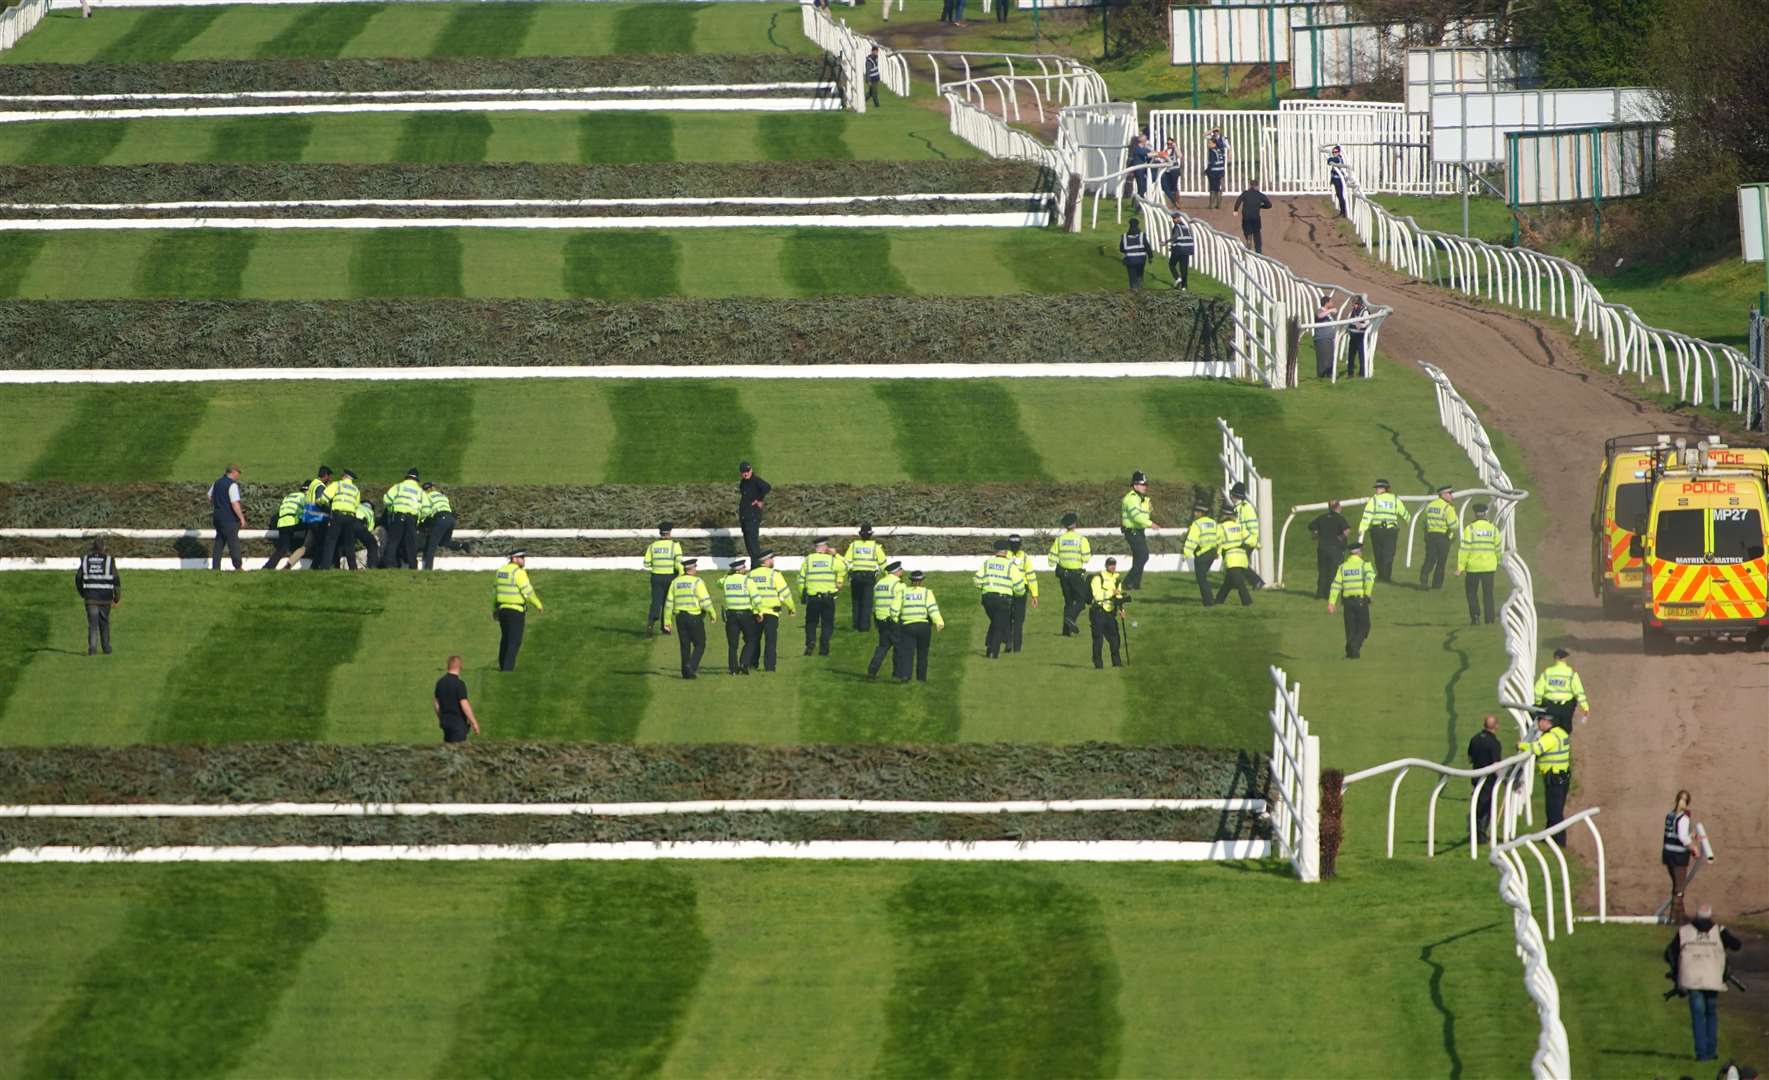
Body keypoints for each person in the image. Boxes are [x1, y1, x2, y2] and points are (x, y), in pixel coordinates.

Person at [1665, 904, 1743, 1063]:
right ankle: (1711, 1051)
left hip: (1691, 980)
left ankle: (1701, 1054)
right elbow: (1737, 945)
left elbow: (1669, 954)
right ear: (1709, 916)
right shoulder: (1718, 931)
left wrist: (1676, 972)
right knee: (1711, 1015)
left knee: (1698, 1018)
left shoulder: (1684, 932)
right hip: (1713, 979)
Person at [1518, 713, 1571, 845]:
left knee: (1554, 812)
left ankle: (1558, 842)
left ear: (1548, 722)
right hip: (1562, 775)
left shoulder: (1550, 737)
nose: (1538, 723)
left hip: (1554, 777)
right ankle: (1550, 837)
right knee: (1555, 810)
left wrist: (1521, 745)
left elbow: (1537, 748)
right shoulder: (1561, 732)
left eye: (1540, 720)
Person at [661, 557, 716, 680]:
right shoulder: (697, 582)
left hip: (680, 617)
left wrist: (667, 621)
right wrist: (712, 612)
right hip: (694, 617)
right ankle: (691, 666)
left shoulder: (675, 582)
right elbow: (704, 600)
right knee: (700, 644)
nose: (696, 569)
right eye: (695, 567)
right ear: (692, 568)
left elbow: (669, 603)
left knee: (684, 645)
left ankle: (685, 673)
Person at [744, 551, 795, 673]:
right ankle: (770, 667)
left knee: (754, 639)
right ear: (767, 560)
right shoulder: (775, 575)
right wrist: (791, 608)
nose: (773, 561)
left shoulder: (751, 575)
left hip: (755, 612)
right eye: (772, 559)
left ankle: (752, 664)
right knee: (770, 641)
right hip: (771, 613)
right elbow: (785, 593)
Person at [974, 539, 1026, 659]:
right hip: (1003, 600)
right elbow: (1019, 586)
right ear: (1007, 552)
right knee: (999, 625)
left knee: (995, 621)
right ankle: (993, 652)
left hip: (987, 599)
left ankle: (989, 646)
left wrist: (983, 587)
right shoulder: (1010, 566)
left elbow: (977, 580)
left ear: (995, 551)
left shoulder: (987, 563)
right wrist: (1019, 594)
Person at [492, 549, 542, 672]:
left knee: (505, 638)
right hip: (516, 610)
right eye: (522, 557)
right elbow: (528, 591)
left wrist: (494, 609)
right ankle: (508, 669)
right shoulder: (518, 572)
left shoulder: (500, 571)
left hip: (502, 609)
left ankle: (502, 665)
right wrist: (538, 604)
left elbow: (495, 592)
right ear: (514, 559)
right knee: (514, 640)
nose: (524, 560)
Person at [1326, 538, 1374, 659]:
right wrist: (1368, 594)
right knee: (1364, 627)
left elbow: (1336, 585)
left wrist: (1331, 602)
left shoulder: (1343, 567)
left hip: (1347, 602)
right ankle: (1354, 646)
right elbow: (1370, 579)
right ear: (1359, 552)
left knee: (1350, 629)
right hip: (1361, 600)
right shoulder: (1364, 565)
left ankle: (1352, 654)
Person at [893, 569, 943, 683]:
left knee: (907, 653)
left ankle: (905, 676)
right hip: (923, 626)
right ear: (922, 581)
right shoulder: (927, 592)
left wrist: (896, 619)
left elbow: (894, 609)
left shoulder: (903, 592)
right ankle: (921, 678)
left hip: (907, 626)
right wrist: (939, 622)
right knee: (923, 653)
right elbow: (932, 609)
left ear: (911, 581)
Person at [798, 537, 846, 656]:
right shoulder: (832, 560)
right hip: (828, 597)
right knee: (827, 623)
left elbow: (800, 579)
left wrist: (802, 595)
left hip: (813, 597)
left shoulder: (808, 560)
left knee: (811, 622)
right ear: (825, 547)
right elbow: (846, 566)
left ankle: (811, 642)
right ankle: (824, 649)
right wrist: (836, 555)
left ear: (816, 547)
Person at [1457, 503, 1502, 625]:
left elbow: (1464, 548)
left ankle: (1475, 617)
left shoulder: (1470, 529)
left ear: (1475, 513)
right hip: (1489, 567)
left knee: (1471, 593)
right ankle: (1490, 619)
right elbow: (1498, 548)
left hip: (1473, 567)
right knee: (1488, 594)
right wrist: (1499, 560)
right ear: (1486, 513)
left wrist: (1461, 566)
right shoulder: (1493, 529)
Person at [73, 537, 120, 656]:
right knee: (104, 622)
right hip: (105, 597)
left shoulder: (86, 560)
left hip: (90, 597)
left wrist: (82, 592)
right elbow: (116, 579)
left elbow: (78, 578)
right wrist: (117, 596)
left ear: (93, 548)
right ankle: (106, 648)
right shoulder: (109, 560)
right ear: (103, 548)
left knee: (92, 624)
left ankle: (92, 649)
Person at [1358, 478, 1409, 582]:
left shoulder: (1374, 499)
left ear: (1384, 489)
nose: (1376, 489)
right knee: (1389, 554)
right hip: (1391, 531)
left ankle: (1382, 576)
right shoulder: (1395, 499)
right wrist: (1410, 524)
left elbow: (1367, 515)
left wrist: (1362, 528)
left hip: (1377, 531)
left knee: (1378, 554)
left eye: (1378, 487)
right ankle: (1386, 577)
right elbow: (1405, 514)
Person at [1049, 512, 1091, 636]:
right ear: (1075, 524)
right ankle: (1071, 618)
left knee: (1068, 601)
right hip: (1075, 574)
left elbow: (1052, 558)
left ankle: (1066, 631)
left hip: (1063, 574)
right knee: (1082, 599)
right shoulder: (1081, 539)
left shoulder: (1059, 539)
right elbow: (1086, 558)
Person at [1663, 789, 1699, 925]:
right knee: (1679, 889)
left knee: (1678, 885)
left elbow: (1676, 834)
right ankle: (1673, 918)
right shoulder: (1683, 818)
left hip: (1668, 855)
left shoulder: (1670, 815)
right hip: (1678, 857)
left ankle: (1681, 916)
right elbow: (1683, 838)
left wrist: (1691, 836)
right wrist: (1694, 848)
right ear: (1688, 802)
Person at [1533, 648, 1591, 732]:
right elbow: (1579, 692)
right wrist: (1585, 707)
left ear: (1555, 658)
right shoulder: (1571, 673)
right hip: (1565, 708)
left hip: (1550, 707)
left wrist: (1538, 703)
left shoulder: (1547, 672)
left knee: (1548, 730)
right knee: (1565, 731)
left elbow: (1538, 690)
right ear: (1564, 659)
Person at [644, 521, 684, 637]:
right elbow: (678, 563)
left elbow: (646, 563)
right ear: (670, 532)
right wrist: (681, 575)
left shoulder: (652, 546)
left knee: (656, 602)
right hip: (670, 577)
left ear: (660, 533)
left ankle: (650, 624)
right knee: (668, 603)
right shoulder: (674, 545)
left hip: (656, 577)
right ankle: (666, 627)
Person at [719, 558, 757, 676]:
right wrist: (759, 612)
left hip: (731, 616)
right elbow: (756, 598)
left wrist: (728, 574)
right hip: (745, 615)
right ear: (740, 570)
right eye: (744, 568)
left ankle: (733, 669)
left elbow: (718, 583)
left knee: (732, 644)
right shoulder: (747, 581)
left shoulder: (725, 580)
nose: (745, 569)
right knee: (751, 639)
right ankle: (744, 663)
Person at [317, 469, 362, 571]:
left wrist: (319, 502)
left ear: (344, 476)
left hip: (338, 515)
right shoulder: (355, 489)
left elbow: (325, 498)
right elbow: (356, 505)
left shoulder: (337, 484)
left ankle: (325, 567)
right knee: (349, 543)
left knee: (330, 541)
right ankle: (353, 568)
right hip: (350, 517)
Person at [845, 524, 887, 631]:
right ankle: (864, 626)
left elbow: (846, 561)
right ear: (871, 535)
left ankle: (856, 625)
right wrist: (888, 576)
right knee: (867, 602)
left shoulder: (853, 545)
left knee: (856, 601)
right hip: (869, 577)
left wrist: (848, 573)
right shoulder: (875, 547)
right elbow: (883, 564)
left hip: (856, 577)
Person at [1467, 714, 1503, 839]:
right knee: (1486, 806)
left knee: (1477, 802)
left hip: (1476, 776)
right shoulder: (1495, 743)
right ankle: (1480, 833)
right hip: (1489, 780)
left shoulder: (1475, 738)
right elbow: (1496, 765)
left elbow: (1470, 758)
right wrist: (1503, 779)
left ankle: (1474, 828)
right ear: (1496, 726)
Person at [380, 468, 424, 569]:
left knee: (393, 541)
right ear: (417, 480)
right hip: (412, 518)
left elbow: (386, 500)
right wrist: (419, 519)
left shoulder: (398, 487)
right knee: (411, 544)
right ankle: (413, 566)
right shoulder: (420, 491)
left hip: (398, 516)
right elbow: (426, 508)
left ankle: (389, 565)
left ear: (406, 477)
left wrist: (392, 510)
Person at [420, 482, 470, 570]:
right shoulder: (442, 496)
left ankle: (428, 569)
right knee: (443, 542)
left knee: (432, 544)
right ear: (433, 488)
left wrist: (422, 523)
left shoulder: (426, 496)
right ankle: (462, 545)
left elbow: (427, 511)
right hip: (450, 519)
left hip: (440, 518)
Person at [868, 561, 906, 679]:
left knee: (883, 646)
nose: (902, 572)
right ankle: (898, 674)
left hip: (880, 619)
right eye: (901, 570)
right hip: (893, 619)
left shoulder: (879, 584)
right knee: (899, 646)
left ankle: (872, 671)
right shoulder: (899, 585)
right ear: (897, 572)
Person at [1308, 499, 1351, 600]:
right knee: (1334, 572)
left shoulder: (1322, 517)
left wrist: (1316, 535)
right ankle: (1331, 595)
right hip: (1335, 549)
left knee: (1323, 571)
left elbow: (1311, 527)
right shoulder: (1340, 518)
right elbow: (1347, 530)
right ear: (1338, 507)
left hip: (1322, 548)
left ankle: (1320, 594)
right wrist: (1339, 539)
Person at [1419, 484, 1459, 590]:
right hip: (1443, 537)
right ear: (1443, 494)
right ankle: (1436, 586)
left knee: (1429, 559)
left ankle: (1423, 579)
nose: (1452, 496)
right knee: (1441, 562)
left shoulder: (1430, 506)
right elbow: (1454, 525)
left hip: (1430, 536)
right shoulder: (1448, 508)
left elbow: (1423, 522)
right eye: (1450, 493)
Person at [433, 655, 480, 744]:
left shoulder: (440, 682)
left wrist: (441, 717)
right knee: (459, 751)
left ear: (448, 666)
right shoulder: (459, 684)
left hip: (445, 723)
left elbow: (436, 703)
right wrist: (474, 722)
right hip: (457, 723)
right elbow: (464, 704)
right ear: (460, 666)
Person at [1120, 470, 1155, 590]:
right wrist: (1151, 524)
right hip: (1132, 531)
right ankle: (1126, 582)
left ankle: (1135, 584)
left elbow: (1144, 514)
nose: (1145, 487)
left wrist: (1149, 509)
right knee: (1143, 556)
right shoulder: (1131, 499)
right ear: (1135, 485)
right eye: (1142, 484)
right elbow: (1137, 516)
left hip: (1139, 531)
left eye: (1146, 484)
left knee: (1138, 558)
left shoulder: (1142, 499)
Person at [1182, 502, 1221, 606]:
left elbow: (1192, 540)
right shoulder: (1213, 523)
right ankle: (1210, 600)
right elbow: (1219, 538)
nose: (1194, 513)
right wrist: (1218, 552)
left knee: (1201, 579)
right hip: (1212, 552)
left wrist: (1186, 553)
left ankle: (1209, 602)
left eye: (1196, 511)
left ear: (1200, 513)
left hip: (1202, 554)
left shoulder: (1197, 524)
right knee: (1203, 577)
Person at [1089, 557, 1125, 668]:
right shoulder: (1098, 578)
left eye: (1114, 564)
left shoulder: (1117, 579)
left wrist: (1121, 609)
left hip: (1110, 612)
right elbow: (1097, 595)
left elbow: (1118, 596)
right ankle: (1098, 665)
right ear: (1106, 565)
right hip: (1098, 612)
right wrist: (1111, 592)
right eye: (1110, 564)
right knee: (1098, 640)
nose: (1112, 566)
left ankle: (1117, 663)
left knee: (1115, 639)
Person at [208, 464, 244, 571]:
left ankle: (215, 567)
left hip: (217, 516)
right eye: (238, 473)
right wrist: (241, 517)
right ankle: (238, 566)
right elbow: (234, 503)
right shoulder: (232, 485)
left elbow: (209, 496)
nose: (238, 475)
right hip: (229, 518)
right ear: (233, 472)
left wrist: (218, 505)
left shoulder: (217, 482)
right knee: (233, 542)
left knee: (219, 542)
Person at [1214, 510, 1254, 606]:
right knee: (1228, 582)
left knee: (1239, 582)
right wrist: (1257, 545)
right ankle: (1219, 600)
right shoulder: (1239, 526)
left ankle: (1247, 601)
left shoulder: (1221, 527)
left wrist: (1217, 552)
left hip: (1231, 557)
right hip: (1241, 556)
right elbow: (1250, 539)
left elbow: (1218, 541)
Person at [1006, 534, 1038, 653]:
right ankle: (1017, 648)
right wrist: (1034, 595)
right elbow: (1031, 577)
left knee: (1007, 617)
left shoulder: (1005, 556)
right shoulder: (1025, 557)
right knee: (1019, 620)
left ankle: (1008, 642)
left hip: (1007, 590)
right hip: (1021, 590)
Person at [264, 488, 307, 570]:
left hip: (282, 523)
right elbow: (307, 512)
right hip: (293, 522)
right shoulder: (304, 497)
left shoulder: (289, 496)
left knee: (282, 548)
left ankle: (268, 567)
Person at [1229, 480, 1261, 586]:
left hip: (1248, 540)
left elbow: (1252, 528)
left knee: (1238, 563)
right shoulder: (1241, 507)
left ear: (1234, 496)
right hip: (1245, 540)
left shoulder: (1246, 508)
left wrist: (1251, 540)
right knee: (1238, 563)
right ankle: (1236, 584)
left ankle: (1257, 582)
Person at [737, 461, 769, 562]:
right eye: (743, 472)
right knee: (748, 544)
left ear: (751, 470)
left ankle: (757, 565)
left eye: (747, 471)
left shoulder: (756, 480)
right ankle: (754, 564)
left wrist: (759, 500)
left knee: (753, 543)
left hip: (753, 517)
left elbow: (767, 487)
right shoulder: (743, 482)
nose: (746, 474)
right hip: (745, 517)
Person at [1232, 178, 1272, 254]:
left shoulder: (1245, 193)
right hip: (1256, 218)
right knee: (1257, 234)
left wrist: (1235, 210)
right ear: (1257, 186)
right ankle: (1258, 252)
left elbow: (1238, 201)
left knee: (1247, 232)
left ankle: (1249, 243)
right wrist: (1261, 206)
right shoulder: (1260, 195)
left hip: (1246, 218)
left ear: (1250, 185)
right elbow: (1269, 205)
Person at [1119, 217, 1153, 290]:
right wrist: (1150, 257)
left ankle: (1133, 290)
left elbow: (1121, 249)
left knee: (1132, 276)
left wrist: (1128, 252)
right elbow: (1147, 247)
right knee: (1139, 275)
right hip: (1141, 260)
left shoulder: (1124, 236)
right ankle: (1140, 288)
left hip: (1130, 260)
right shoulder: (1141, 235)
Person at [349, 498, 380, 570]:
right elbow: (370, 528)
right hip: (359, 524)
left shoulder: (356, 506)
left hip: (348, 522)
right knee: (372, 544)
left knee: (348, 545)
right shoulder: (370, 512)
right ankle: (372, 565)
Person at [1167, 211, 1194, 290]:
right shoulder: (1185, 227)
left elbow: (1175, 237)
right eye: (1173, 218)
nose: (1174, 220)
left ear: (1179, 218)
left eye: (1175, 218)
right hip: (1187, 250)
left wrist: (1166, 241)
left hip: (1179, 250)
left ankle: (1178, 278)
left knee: (1171, 264)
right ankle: (1184, 286)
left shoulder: (1177, 227)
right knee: (1184, 268)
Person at [1203, 128, 1229, 210]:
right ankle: (1218, 204)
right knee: (1218, 187)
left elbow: (1213, 162)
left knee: (1212, 188)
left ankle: (1211, 204)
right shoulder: (1220, 150)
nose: (1208, 144)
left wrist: (1207, 170)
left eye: (1210, 143)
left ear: (1214, 144)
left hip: (1214, 171)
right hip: (1221, 170)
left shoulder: (1212, 151)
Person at [1312, 295, 1337, 380]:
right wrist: (1330, 310)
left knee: (1330, 358)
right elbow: (1319, 316)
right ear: (1326, 303)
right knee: (1323, 358)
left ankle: (1329, 375)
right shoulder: (1320, 310)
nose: (1332, 303)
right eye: (1331, 302)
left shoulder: (1328, 314)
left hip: (1329, 338)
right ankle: (1321, 376)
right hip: (1322, 338)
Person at [1345, 297, 1370, 378]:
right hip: (1353, 335)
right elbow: (1348, 320)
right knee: (1351, 356)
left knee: (1361, 356)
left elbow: (1367, 323)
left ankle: (1362, 374)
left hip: (1360, 336)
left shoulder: (1365, 311)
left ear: (1360, 303)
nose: (1355, 306)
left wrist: (1361, 325)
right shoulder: (1352, 311)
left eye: (1356, 304)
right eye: (1354, 304)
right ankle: (1350, 373)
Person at [1326, 144, 1348, 216]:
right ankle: (1342, 212)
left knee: (1340, 195)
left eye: (1335, 152)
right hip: (1336, 179)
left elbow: (1331, 160)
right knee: (1339, 195)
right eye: (1333, 152)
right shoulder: (1337, 158)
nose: (1334, 153)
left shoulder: (1338, 158)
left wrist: (1329, 159)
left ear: (1339, 152)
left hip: (1339, 180)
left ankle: (1343, 212)